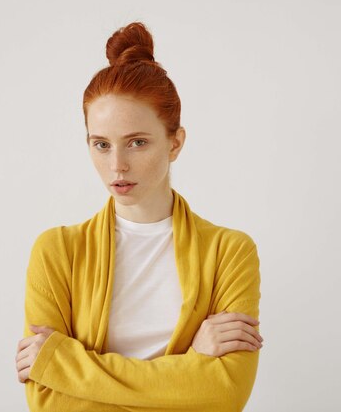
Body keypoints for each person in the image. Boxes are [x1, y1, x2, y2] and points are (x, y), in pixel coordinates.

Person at [15, 21, 264, 412]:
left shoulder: (229, 253)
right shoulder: (56, 252)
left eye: (137, 143)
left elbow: (224, 394)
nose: (117, 165)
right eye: (101, 144)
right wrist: (190, 366)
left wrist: (64, 365)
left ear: (175, 143)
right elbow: (48, 403)